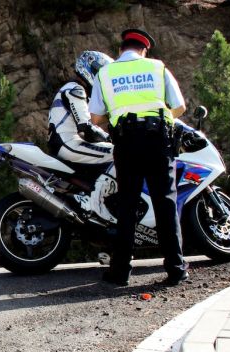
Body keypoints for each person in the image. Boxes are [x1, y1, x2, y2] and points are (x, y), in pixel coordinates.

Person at [88, 29, 189, 286]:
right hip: (158, 140)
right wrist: (160, 118)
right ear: (144, 50)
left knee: (127, 206)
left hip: (127, 142)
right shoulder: (157, 67)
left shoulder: (105, 73)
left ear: (121, 49)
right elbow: (179, 106)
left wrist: (118, 115)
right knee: (165, 203)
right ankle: (176, 269)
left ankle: (120, 272)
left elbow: (96, 117)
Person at [47, 50, 117, 223]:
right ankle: (94, 202)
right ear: (89, 69)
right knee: (121, 153)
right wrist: (111, 139)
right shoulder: (75, 89)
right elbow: (86, 127)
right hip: (68, 143)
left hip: (64, 143)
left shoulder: (73, 89)